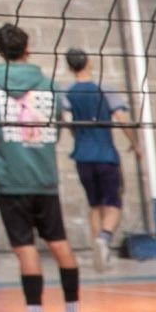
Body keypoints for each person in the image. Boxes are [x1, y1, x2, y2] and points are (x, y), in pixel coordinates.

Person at [0, 24, 84, 312]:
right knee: (60, 243)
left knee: (25, 249)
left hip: (11, 179)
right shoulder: (50, 86)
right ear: (28, 48)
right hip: (45, 176)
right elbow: (59, 127)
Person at [62, 47, 123, 261]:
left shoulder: (67, 94)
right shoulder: (104, 90)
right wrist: (136, 144)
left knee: (94, 205)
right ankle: (103, 239)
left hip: (82, 156)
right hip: (105, 155)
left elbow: (67, 122)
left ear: (70, 67)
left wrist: (78, 135)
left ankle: (99, 252)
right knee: (113, 205)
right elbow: (122, 119)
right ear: (89, 62)